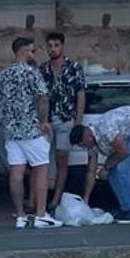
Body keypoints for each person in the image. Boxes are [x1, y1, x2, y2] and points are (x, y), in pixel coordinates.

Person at [0, 37, 61, 229]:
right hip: (32, 130)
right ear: (23, 52)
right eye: (31, 51)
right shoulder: (32, 73)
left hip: (11, 132)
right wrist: (43, 121)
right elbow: (43, 97)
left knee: (16, 173)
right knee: (41, 170)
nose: (33, 54)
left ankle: (20, 216)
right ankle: (40, 214)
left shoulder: (3, 75)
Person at [72, 105, 130, 224]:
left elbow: (124, 151)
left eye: (82, 144)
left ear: (86, 136)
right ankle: (125, 208)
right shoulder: (92, 143)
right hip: (126, 134)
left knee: (122, 168)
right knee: (112, 173)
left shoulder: (106, 131)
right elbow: (92, 170)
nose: (83, 147)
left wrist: (106, 167)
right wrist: (86, 198)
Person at [40, 31, 86, 211]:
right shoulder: (43, 69)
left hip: (66, 119)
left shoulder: (73, 67)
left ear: (62, 46)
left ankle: (56, 199)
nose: (53, 49)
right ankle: (39, 199)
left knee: (61, 160)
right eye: (50, 46)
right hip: (48, 120)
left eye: (56, 45)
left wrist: (78, 121)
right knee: (42, 160)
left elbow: (80, 94)